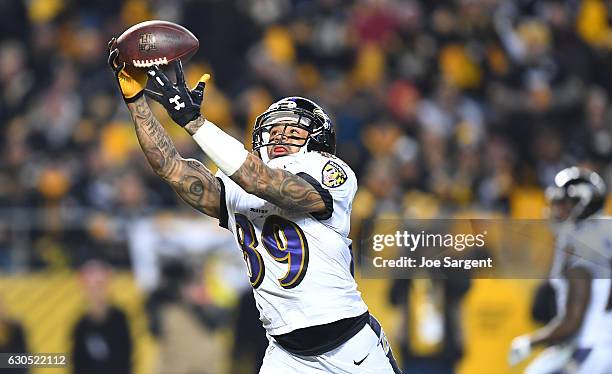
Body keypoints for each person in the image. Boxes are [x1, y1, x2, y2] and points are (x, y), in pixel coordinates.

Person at [107, 38, 402, 373]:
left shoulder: (330, 171)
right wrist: (136, 101)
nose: (278, 137)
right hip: (286, 353)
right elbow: (171, 168)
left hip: (349, 347)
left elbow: (267, 184)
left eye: (292, 130)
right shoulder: (235, 182)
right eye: (273, 131)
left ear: (317, 140)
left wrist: (195, 122)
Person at [508, 167, 612, 373]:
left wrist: (530, 342)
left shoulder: (580, 242)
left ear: (582, 204)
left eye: (562, 204)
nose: (555, 210)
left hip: (591, 347)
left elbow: (573, 320)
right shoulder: (604, 234)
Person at [71, 260, 132, 374]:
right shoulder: (81, 326)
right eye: (91, 286)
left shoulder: (119, 320)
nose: (96, 292)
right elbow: (77, 365)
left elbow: (125, 361)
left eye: (99, 285)